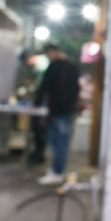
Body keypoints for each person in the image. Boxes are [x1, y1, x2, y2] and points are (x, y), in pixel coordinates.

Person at [36, 43, 81, 185]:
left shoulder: (54, 66)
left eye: (47, 54)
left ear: (51, 52)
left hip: (58, 111)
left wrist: (37, 103)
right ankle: (58, 170)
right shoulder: (73, 67)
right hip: (70, 110)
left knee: (58, 143)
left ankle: (57, 172)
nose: (47, 57)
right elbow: (77, 89)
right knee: (63, 143)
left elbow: (44, 87)